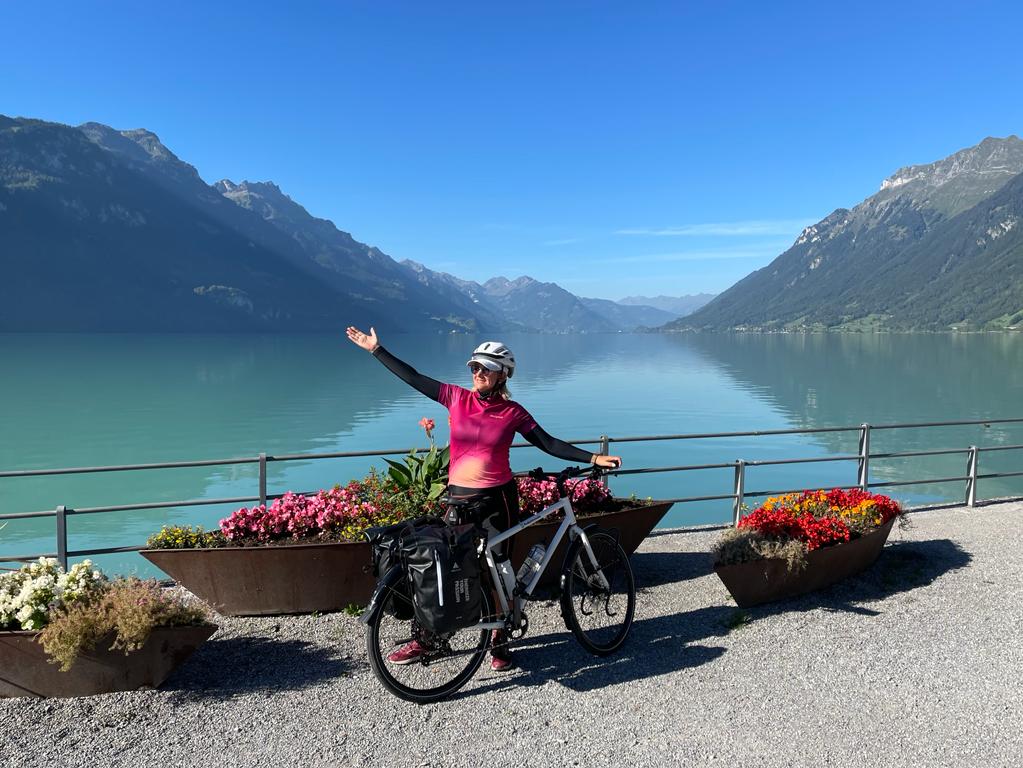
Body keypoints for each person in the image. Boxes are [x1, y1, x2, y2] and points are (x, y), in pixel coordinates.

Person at [346, 326, 622, 672]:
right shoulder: (455, 398)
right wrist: (377, 350)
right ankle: (430, 638)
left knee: (496, 573)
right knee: (444, 567)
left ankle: (499, 640)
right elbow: (414, 378)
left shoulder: (513, 413)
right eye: (474, 367)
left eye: (485, 368)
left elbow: (549, 444)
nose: (477, 373)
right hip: (458, 500)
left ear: (503, 373)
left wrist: (593, 459)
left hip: (497, 501)